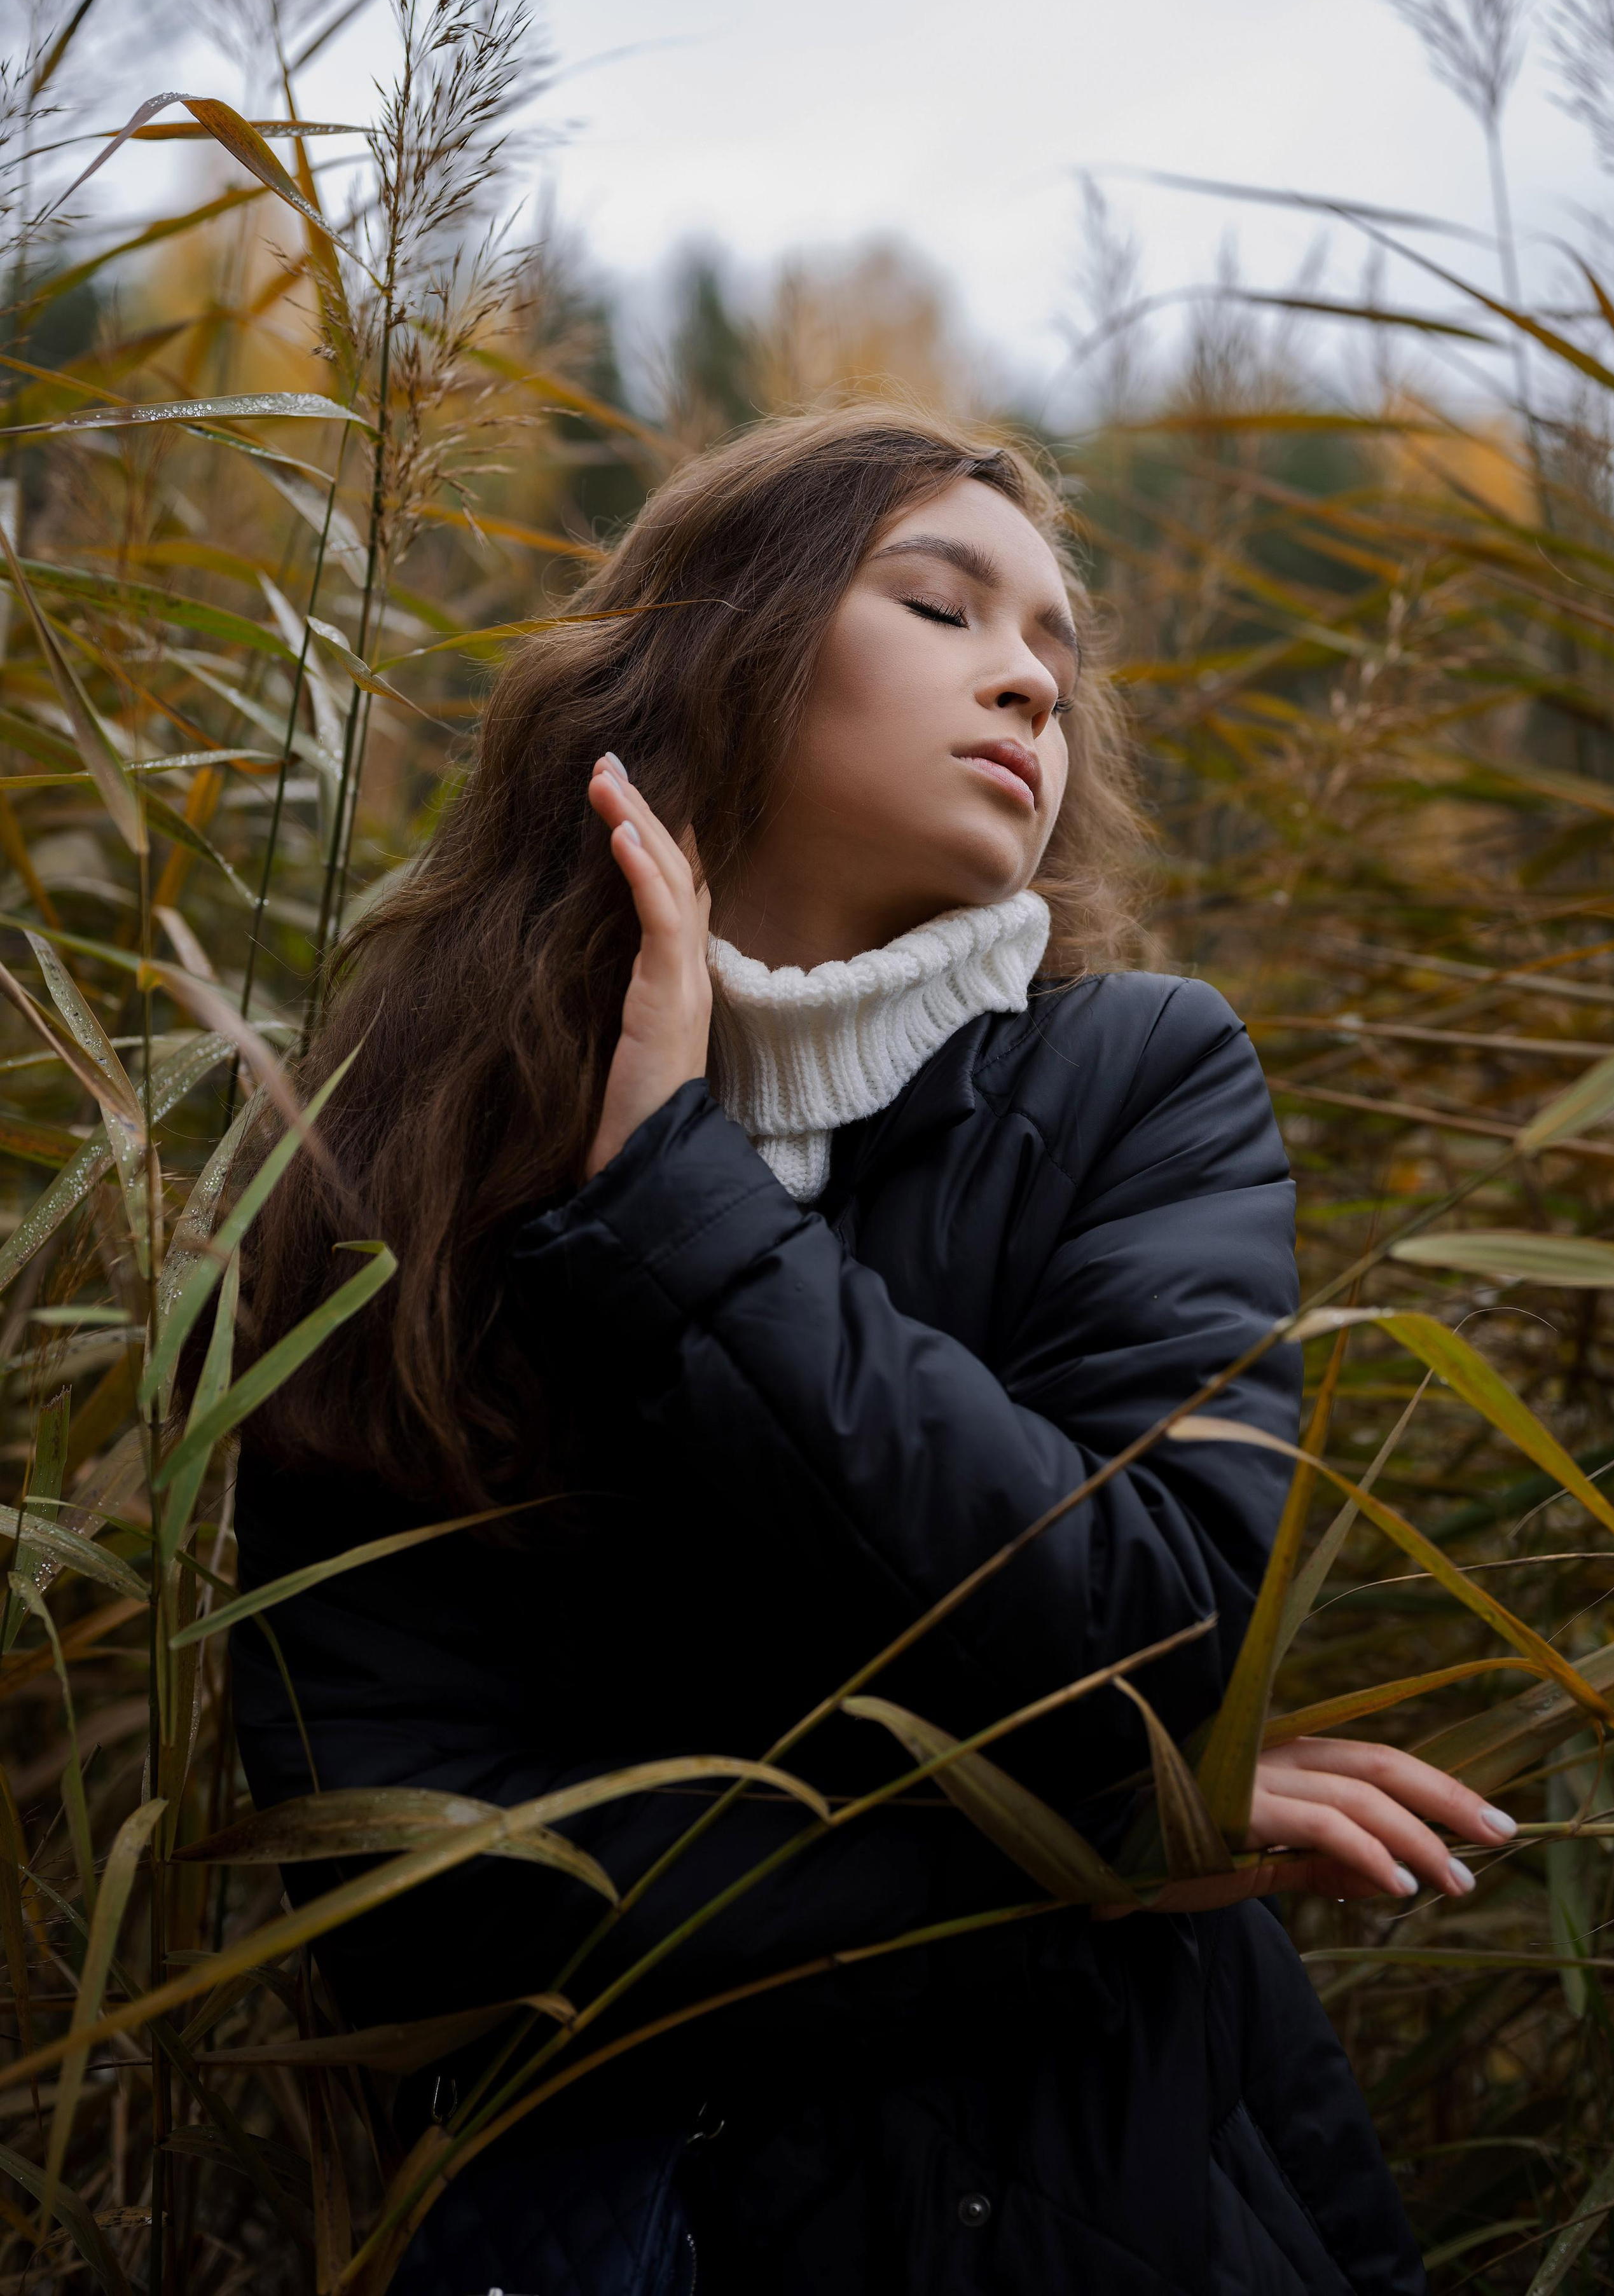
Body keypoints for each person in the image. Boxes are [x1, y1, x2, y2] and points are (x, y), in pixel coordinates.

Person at [230, 405, 1514, 2295]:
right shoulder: (396, 1170)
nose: (1030, 678)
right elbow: (421, 1906)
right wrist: (1080, 1860)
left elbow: (1152, 1645)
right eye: (942, 602)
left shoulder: (1136, 1081)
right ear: (719, 651)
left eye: (1057, 655)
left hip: (1103, 2217)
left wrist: (683, 1211)